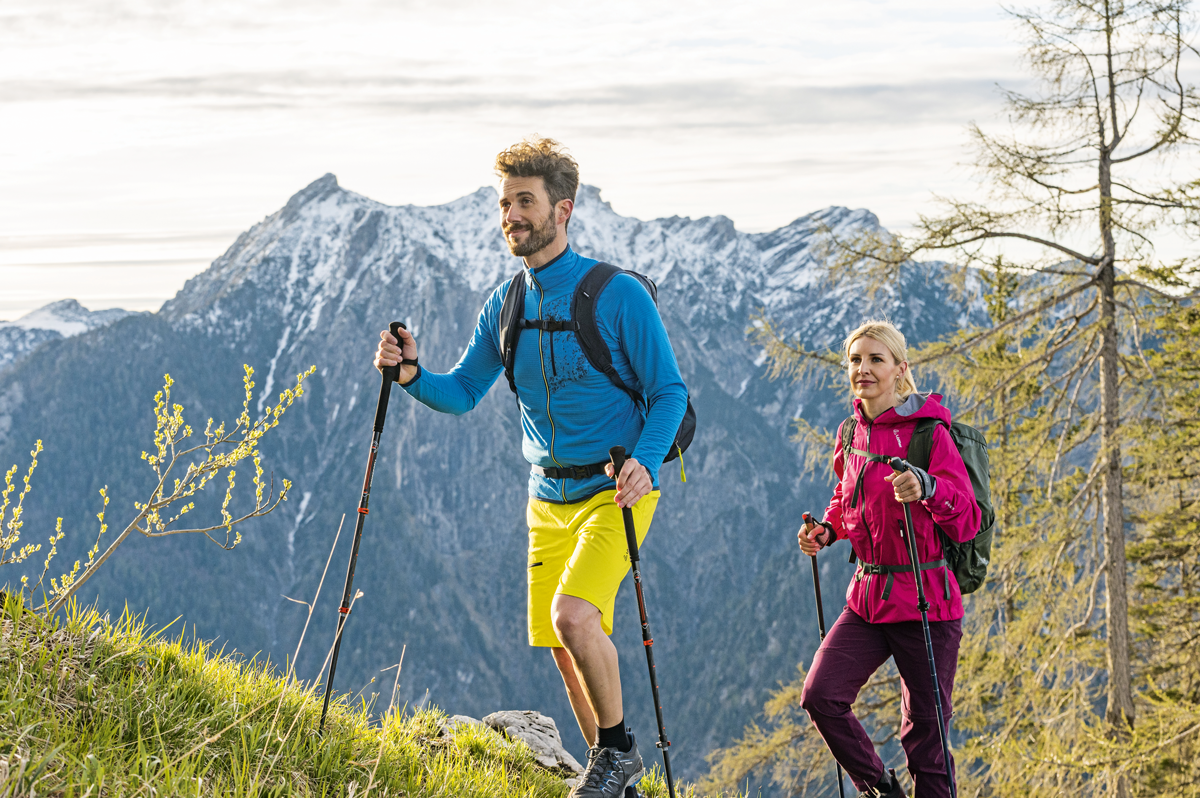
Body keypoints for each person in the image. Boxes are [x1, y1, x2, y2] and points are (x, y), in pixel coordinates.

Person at [373, 138, 688, 798]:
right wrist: (408, 375)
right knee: (559, 642)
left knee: (577, 617)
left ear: (562, 209)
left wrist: (648, 465)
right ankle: (615, 780)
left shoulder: (618, 295)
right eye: (504, 203)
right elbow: (461, 392)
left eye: (524, 201)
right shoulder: (505, 305)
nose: (510, 215)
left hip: (615, 489)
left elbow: (670, 394)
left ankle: (618, 755)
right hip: (545, 495)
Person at [797, 320, 980, 798]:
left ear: (902, 370)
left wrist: (928, 488)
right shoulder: (850, 431)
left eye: (876, 359)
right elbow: (846, 494)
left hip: (927, 602)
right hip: (870, 597)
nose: (864, 369)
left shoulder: (929, 434)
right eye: (856, 360)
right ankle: (881, 787)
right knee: (821, 696)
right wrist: (828, 529)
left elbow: (967, 521)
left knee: (926, 741)